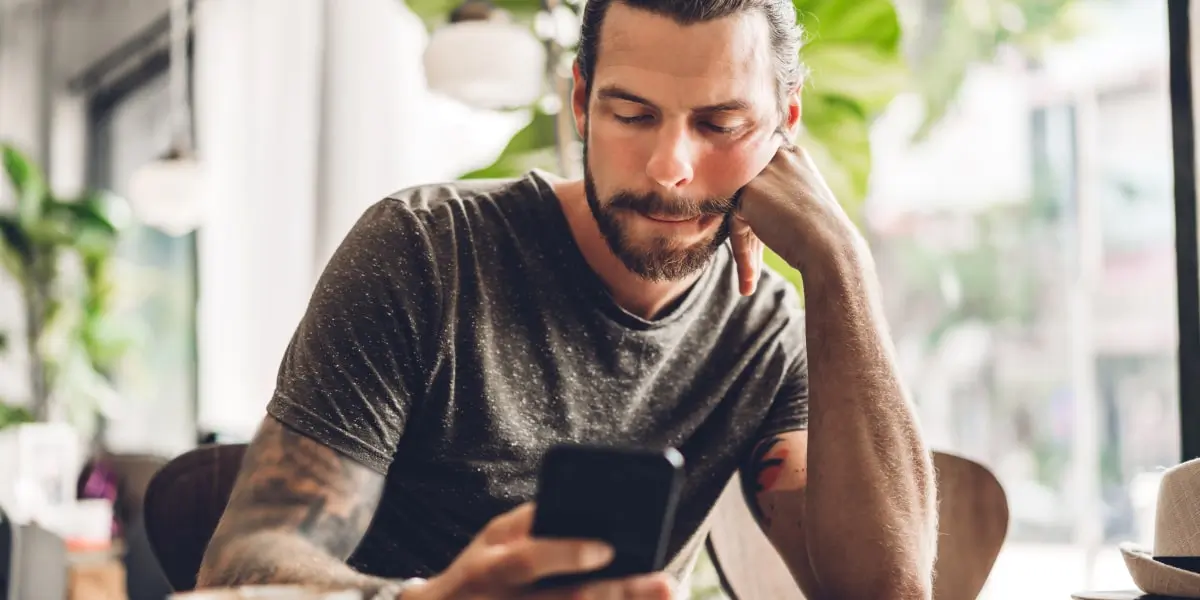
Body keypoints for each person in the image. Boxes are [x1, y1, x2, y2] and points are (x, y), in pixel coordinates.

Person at [195, 0, 938, 597]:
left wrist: (841, 265)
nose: (669, 166)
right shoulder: (426, 250)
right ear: (581, 101)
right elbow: (243, 568)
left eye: (720, 124)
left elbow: (885, 593)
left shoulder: (768, 334)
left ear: (786, 124)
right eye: (633, 114)